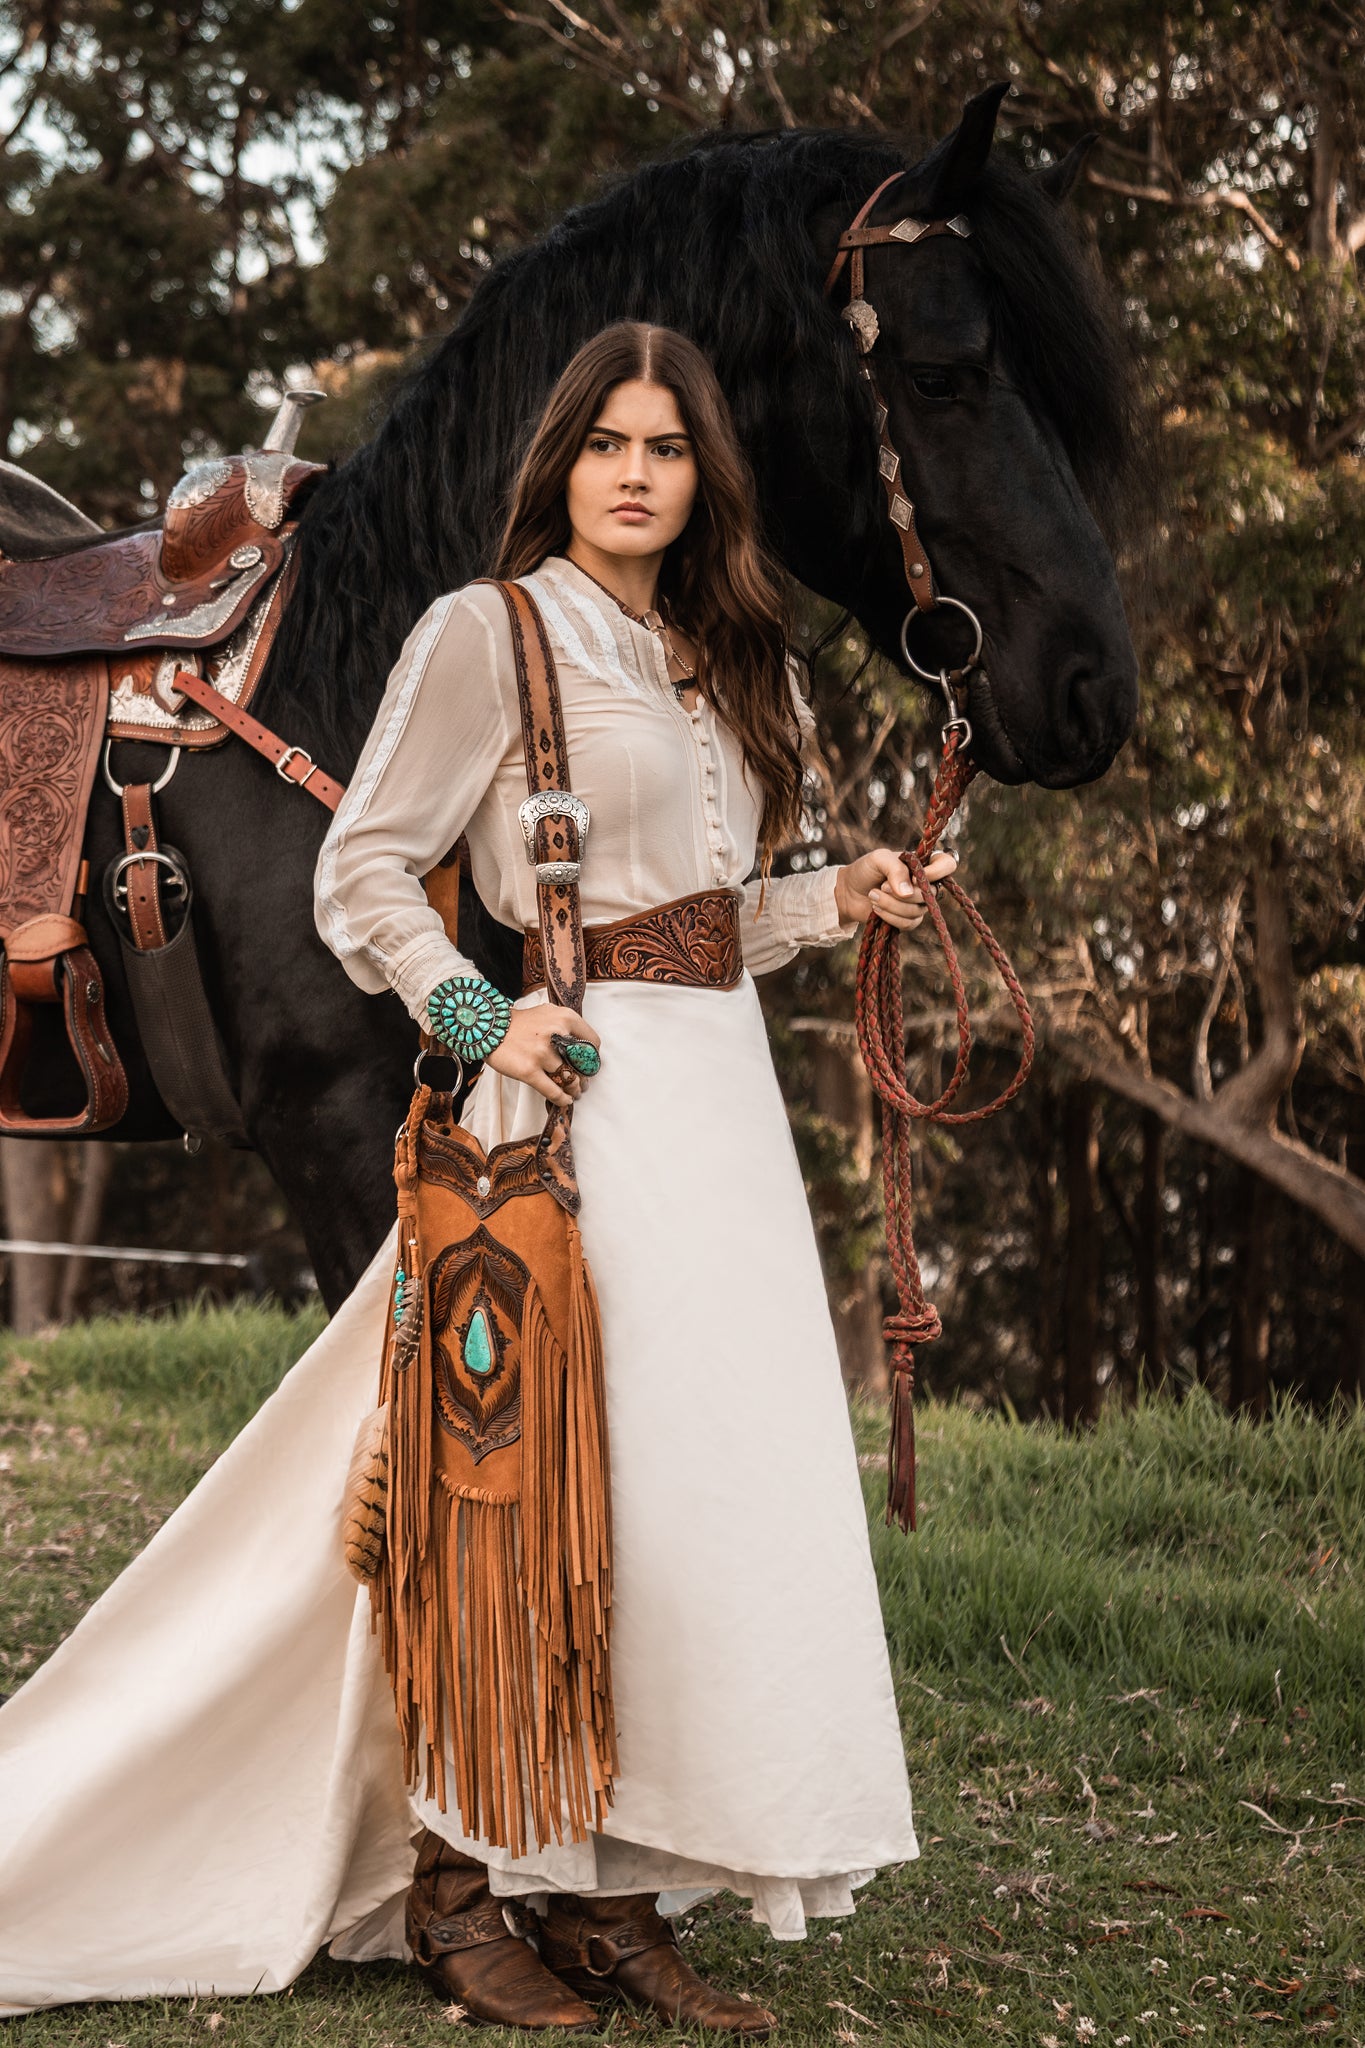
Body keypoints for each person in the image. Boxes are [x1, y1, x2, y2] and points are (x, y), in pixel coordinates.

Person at [0, 321, 952, 2032]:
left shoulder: (732, 661)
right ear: (560, 466)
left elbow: (715, 924)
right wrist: (473, 1009)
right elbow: (363, 870)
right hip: (570, 1106)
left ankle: (615, 1892)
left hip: (723, 1113)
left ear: (701, 475)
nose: (636, 472)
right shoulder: (485, 634)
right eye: (606, 444)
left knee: (686, 1507)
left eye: (665, 445)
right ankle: (452, 1885)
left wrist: (837, 901)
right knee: (520, 1505)